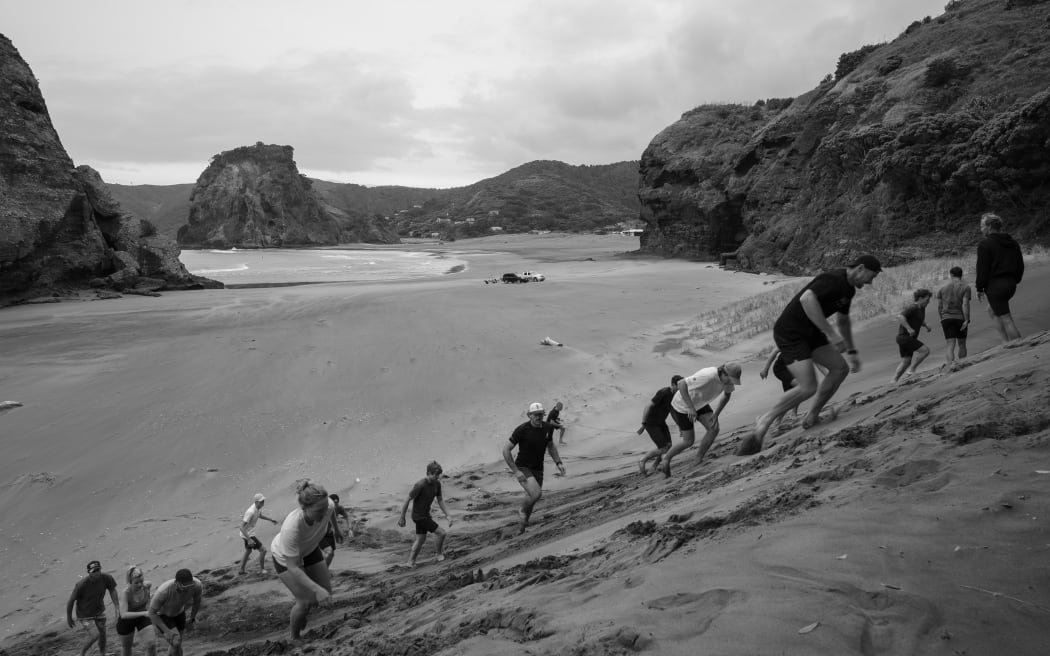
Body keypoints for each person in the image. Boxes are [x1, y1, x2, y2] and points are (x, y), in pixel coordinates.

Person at [739, 255, 882, 455]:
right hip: (791, 333)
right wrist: (831, 334)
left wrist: (851, 350)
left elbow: (843, 321)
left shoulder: (848, 290)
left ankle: (812, 416)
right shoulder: (832, 279)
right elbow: (807, 299)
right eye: (871, 277)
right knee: (808, 387)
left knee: (840, 369)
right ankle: (765, 421)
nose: (869, 282)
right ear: (860, 268)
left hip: (812, 333)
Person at [270, 480, 341, 642]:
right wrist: (316, 589)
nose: (324, 514)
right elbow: (293, 567)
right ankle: (294, 638)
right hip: (285, 557)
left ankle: (304, 611)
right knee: (305, 602)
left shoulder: (326, 505)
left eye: (325, 508)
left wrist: (336, 529)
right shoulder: (292, 528)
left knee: (325, 595)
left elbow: (331, 511)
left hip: (309, 549)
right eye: (318, 511)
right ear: (304, 508)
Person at [655, 363, 741, 477]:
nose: (731, 383)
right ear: (723, 373)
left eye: (733, 380)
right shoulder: (708, 375)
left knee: (713, 428)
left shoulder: (726, 380)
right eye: (730, 379)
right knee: (688, 441)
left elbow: (726, 396)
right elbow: (681, 384)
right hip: (683, 405)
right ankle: (666, 459)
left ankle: (698, 459)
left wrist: (716, 414)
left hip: (700, 403)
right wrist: (690, 407)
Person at [502, 402, 566, 534]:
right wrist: (516, 471)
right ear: (529, 415)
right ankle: (521, 511)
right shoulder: (522, 429)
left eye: (541, 414)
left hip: (538, 468)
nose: (539, 417)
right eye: (535, 415)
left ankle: (521, 529)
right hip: (523, 467)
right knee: (536, 493)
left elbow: (551, 446)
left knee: (531, 499)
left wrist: (558, 462)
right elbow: (506, 450)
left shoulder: (548, 428)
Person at [975, 212, 1024, 342]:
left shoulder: (985, 245)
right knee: (991, 310)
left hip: (995, 287)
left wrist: (979, 288)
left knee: (1006, 318)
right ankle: (1005, 342)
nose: (981, 229)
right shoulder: (1013, 242)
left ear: (989, 227)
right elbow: (1020, 264)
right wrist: (1015, 280)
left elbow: (982, 269)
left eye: (982, 226)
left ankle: (1020, 346)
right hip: (1010, 284)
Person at [397, 461, 453, 566]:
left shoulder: (437, 484)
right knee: (441, 533)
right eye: (435, 475)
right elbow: (407, 500)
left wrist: (448, 515)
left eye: (438, 475)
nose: (437, 477)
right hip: (419, 516)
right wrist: (402, 518)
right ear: (428, 473)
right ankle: (439, 555)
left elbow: (440, 501)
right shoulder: (420, 485)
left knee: (420, 539)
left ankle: (410, 562)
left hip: (425, 515)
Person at [66, 560, 120, 656]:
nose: (96, 573)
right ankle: (81, 653)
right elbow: (71, 601)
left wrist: (116, 607)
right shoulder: (81, 585)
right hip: (84, 614)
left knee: (102, 633)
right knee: (95, 635)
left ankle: (102, 653)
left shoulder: (106, 578)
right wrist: (69, 617)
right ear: (89, 573)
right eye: (93, 571)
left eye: (98, 570)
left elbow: (112, 590)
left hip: (99, 611)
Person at [147, 568, 201, 656]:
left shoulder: (197, 585)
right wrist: (167, 631)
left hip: (179, 612)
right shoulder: (163, 591)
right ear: (177, 583)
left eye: (189, 586)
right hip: (163, 615)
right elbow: (151, 613)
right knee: (176, 642)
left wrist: (192, 618)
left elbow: (197, 602)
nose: (187, 589)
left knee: (177, 644)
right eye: (184, 587)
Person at [637, 375, 684, 476]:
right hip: (651, 423)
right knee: (663, 448)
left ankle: (654, 466)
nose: (681, 388)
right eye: (679, 385)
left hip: (661, 423)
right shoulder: (664, 392)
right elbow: (648, 406)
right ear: (673, 385)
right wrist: (643, 424)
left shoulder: (674, 395)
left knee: (668, 446)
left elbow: (672, 412)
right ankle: (643, 460)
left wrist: (680, 426)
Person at [892, 289, 933, 382]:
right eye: (927, 300)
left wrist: (926, 325)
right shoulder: (913, 307)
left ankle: (893, 381)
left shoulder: (921, 309)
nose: (928, 302)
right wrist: (909, 328)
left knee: (906, 361)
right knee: (925, 351)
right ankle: (911, 371)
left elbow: (918, 319)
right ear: (920, 298)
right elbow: (900, 316)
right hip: (904, 337)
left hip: (905, 338)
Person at [116, 566, 155, 656]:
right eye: (136, 583)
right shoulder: (126, 593)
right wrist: (145, 613)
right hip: (126, 622)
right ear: (129, 582)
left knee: (151, 644)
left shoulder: (147, 585)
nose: (140, 585)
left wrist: (148, 607)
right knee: (127, 649)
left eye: (141, 581)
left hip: (142, 618)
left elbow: (148, 597)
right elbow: (123, 614)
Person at [936, 266, 971, 365]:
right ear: (961, 275)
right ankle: (962, 364)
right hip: (960, 318)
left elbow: (939, 306)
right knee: (962, 344)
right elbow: (965, 304)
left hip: (946, 318)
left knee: (950, 344)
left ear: (951, 275)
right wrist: (966, 319)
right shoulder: (966, 287)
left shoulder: (942, 289)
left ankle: (950, 366)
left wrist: (941, 318)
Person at [239, 493, 279, 575]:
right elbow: (241, 527)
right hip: (247, 534)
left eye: (263, 501)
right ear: (256, 502)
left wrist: (271, 520)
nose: (263, 502)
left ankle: (241, 570)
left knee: (248, 551)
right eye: (261, 501)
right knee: (263, 550)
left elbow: (260, 515)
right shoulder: (250, 512)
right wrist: (249, 539)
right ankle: (262, 569)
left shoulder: (258, 508)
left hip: (248, 533)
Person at [320, 493, 353, 568]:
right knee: (328, 552)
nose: (335, 506)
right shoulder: (324, 509)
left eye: (337, 504)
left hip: (330, 533)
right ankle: (322, 570)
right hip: (320, 534)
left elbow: (347, 517)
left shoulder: (339, 508)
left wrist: (350, 529)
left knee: (331, 554)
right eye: (334, 504)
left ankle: (325, 569)